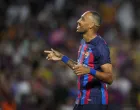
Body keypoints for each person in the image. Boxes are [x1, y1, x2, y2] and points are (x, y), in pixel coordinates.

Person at [44, 11, 113, 110]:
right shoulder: (83, 43)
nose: (78, 21)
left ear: (91, 25)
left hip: (95, 101)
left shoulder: (100, 46)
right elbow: (80, 69)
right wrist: (62, 57)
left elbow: (109, 78)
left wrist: (89, 70)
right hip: (81, 99)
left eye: (83, 19)